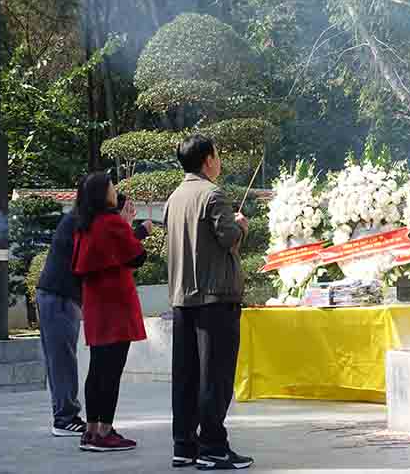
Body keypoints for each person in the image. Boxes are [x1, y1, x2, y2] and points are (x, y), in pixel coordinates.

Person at [165, 134, 253, 470]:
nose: (219, 161)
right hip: (215, 298)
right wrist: (241, 226)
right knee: (214, 376)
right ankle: (213, 447)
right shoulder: (212, 194)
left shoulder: (174, 198)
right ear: (207, 160)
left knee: (185, 376)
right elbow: (228, 238)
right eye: (217, 155)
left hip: (182, 298)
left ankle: (184, 445)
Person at [71, 172, 150, 453]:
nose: (116, 191)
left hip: (94, 304)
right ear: (102, 194)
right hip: (116, 303)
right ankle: (105, 431)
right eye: (112, 187)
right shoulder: (112, 222)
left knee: (97, 368)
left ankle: (91, 430)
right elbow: (138, 256)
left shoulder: (84, 224)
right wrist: (130, 227)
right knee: (112, 371)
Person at [35, 178, 87, 437]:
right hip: (59, 297)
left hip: (61, 296)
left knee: (62, 357)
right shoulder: (78, 222)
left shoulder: (77, 220)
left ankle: (65, 414)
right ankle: (65, 418)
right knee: (62, 359)